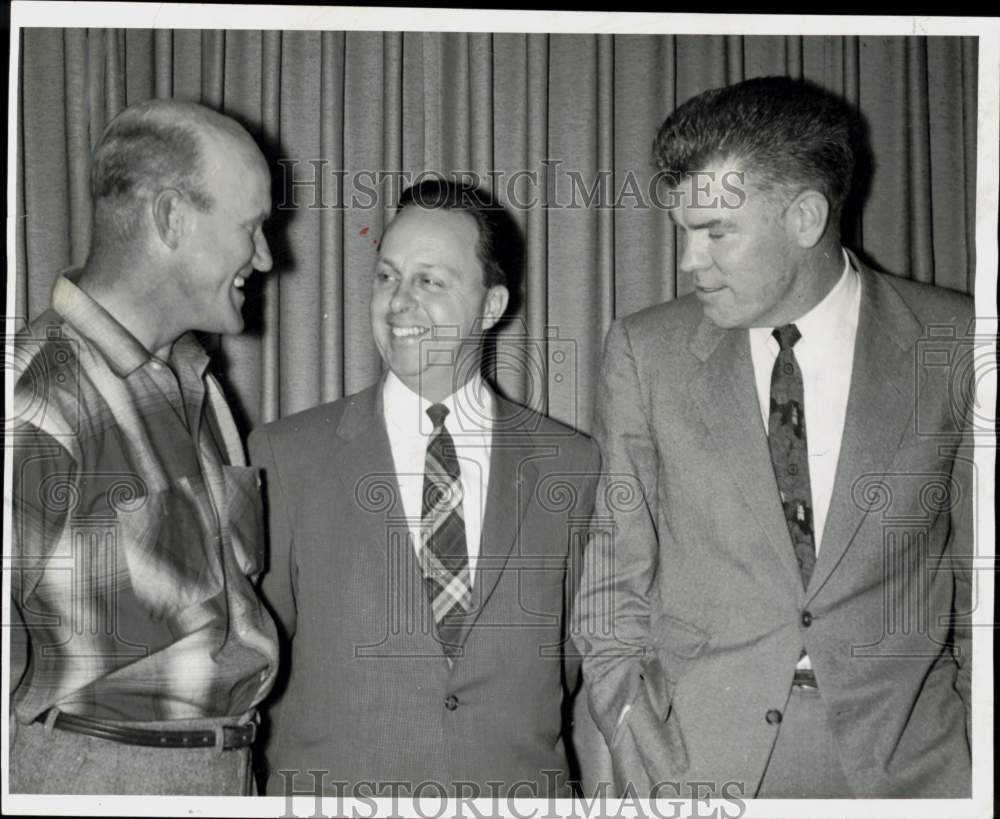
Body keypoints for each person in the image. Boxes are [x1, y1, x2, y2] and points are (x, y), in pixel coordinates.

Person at [572, 76, 974, 799]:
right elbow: (614, 564)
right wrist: (626, 710)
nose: (688, 262)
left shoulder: (960, 344)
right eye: (683, 232)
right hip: (696, 762)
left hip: (913, 767)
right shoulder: (645, 351)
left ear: (805, 217)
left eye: (715, 231)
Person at [249, 179, 599, 798]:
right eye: (387, 277)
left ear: (491, 307)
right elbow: (259, 666)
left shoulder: (570, 466)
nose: (398, 303)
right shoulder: (285, 456)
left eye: (430, 281)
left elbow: (574, 661)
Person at [8, 99, 279, 795]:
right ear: (170, 218)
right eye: (250, 228)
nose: (266, 257)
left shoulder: (202, 388)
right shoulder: (37, 394)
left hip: (226, 773)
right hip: (101, 777)